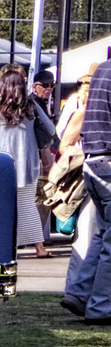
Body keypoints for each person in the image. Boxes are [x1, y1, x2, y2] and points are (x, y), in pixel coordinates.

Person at [0, 68, 47, 258]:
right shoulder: (31, 107)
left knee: (5, 208)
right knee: (27, 205)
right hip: (30, 165)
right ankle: (39, 248)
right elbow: (49, 128)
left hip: (4, 166)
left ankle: (8, 247)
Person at [65, 52, 111, 322]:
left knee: (101, 235)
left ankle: (79, 294)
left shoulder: (102, 71)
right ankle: (102, 308)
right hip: (108, 161)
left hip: (92, 161)